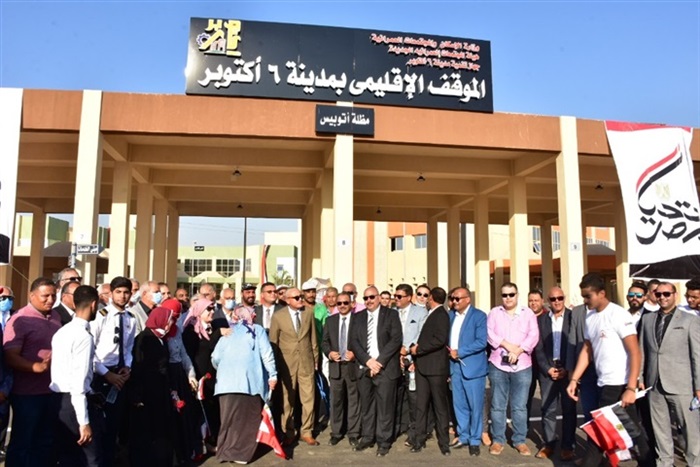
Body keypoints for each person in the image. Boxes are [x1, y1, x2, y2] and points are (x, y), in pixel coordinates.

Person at [566, 272, 654, 467]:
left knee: (600, 432)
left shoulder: (618, 315)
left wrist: (630, 388)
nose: (585, 300)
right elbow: (587, 350)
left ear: (602, 293)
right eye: (583, 296)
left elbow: (635, 352)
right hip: (602, 382)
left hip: (619, 384)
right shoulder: (590, 317)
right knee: (630, 431)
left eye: (588, 296)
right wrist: (574, 379)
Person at [638, 281, 700, 466]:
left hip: (682, 384)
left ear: (675, 295)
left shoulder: (690, 320)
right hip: (654, 384)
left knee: (690, 430)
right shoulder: (647, 320)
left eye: (666, 294)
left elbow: (697, 355)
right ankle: (664, 463)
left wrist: (698, 386)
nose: (662, 297)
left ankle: (694, 463)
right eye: (658, 294)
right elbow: (642, 351)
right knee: (660, 431)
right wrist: (640, 377)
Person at [3, 277, 62, 466]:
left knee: (44, 442)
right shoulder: (19, 319)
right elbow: (10, 356)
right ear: (32, 296)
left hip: (51, 390)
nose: (50, 300)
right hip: (27, 394)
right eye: (45, 296)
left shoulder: (55, 316)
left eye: (53, 295)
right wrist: (35, 367)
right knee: (23, 442)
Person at [212, 306, 278, 464]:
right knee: (247, 420)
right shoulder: (257, 330)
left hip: (225, 384)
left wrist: (224, 371)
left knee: (228, 420)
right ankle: (240, 454)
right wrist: (272, 375)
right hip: (248, 383)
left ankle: (225, 451)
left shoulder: (228, 332)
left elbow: (215, 357)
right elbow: (267, 354)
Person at [51, 285, 104, 467]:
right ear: (94, 304)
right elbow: (78, 383)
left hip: (59, 401)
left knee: (68, 457)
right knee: (90, 459)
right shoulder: (83, 336)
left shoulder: (62, 331)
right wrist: (84, 422)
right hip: (75, 403)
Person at [349, 286, 402, 457]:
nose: (369, 301)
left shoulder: (391, 315)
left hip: (385, 368)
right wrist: (368, 361)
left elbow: (396, 340)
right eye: (365, 298)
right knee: (367, 406)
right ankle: (367, 437)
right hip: (364, 367)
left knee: (385, 407)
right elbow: (353, 342)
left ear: (379, 297)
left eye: (372, 297)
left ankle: (384, 441)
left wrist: (378, 362)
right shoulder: (357, 317)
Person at [487, 282, 539, 456]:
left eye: (511, 294)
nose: (508, 298)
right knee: (497, 406)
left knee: (519, 407)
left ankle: (519, 440)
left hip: (522, 365)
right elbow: (490, 334)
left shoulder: (528, 313)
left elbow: (534, 335)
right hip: (498, 365)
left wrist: (518, 350)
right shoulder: (494, 313)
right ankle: (498, 440)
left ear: (517, 295)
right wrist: (507, 345)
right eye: (505, 295)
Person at [90, 276, 137, 467]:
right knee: (100, 425)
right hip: (102, 373)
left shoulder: (131, 318)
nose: (122, 296)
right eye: (118, 292)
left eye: (126, 292)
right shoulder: (101, 316)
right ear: (111, 293)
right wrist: (106, 374)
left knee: (115, 424)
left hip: (121, 374)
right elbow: (91, 349)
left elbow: (129, 347)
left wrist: (128, 367)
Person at [269, 287, 319, 446]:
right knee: (287, 400)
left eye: (301, 296)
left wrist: (315, 359)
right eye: (297, 297)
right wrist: (274, 366)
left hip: (306, 362)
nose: (300, 300)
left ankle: (307, 431)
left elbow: (313, 339)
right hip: (287, 364)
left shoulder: (308, 313)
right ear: (287, 300)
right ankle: (288, 432)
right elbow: (274, 342)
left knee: (308, 398)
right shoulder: (278, 316)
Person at [129, 306, 176, 467]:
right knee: (146, 431)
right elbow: (138, 367)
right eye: (169, 320)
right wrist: (137, 395)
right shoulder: (144, 338)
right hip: (147, 393)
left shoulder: (160, 338)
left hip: (159, 391)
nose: (171, 323)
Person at [533, 286, 575, 461]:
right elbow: (538, 347)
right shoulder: (541, 320)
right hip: (548, 372)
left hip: (568, 371)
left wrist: (568, 368)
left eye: (560, 298)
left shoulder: (573, 317)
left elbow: (577, 344)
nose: (557, 302)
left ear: (564, 298)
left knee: (569, 410)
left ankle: (568, 446)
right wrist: (547, 368)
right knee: (547, 409)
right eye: (553, 299)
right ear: (547, 301)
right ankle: (549, 444)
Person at [409, 287, 451, 456]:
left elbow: (439, 340)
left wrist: (418, 349)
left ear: (431, 297)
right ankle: (418, 440)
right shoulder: (431, 313)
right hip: (423, 367)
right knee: (421, 406)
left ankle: (444, 442)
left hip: (436, 369)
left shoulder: (441, 315)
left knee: (440, 406)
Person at [448, 286, 488, 457]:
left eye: (458, 298)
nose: (454, 301)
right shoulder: (451, 315)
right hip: (454, 367)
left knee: (475, 406)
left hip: (472, 367)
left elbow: (481, 341)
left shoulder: (479, 316)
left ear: (467, 299)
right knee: (459, 405)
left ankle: (474, 440)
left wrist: (460, 352)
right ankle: (463, 436)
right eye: (453, 298)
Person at [162, 298, 200, 464]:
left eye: (177, 316)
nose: (174, 320)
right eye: (172, 316)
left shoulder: (177, 330)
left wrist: (191, 374)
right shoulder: (160, 332)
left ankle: (185, 452)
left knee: (184, 414)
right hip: (167, 375)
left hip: (179, 374)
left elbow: (183, 354)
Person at [182, 298, 222, 452]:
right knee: (201, 411)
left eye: (213, 309)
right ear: (199, 312)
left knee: (213, 409)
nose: (212, 312)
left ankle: (214, 439)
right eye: (208, 309)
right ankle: (203, 443)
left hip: (213, 376)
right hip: (200, 377)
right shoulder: (191, 331)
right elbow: (191, 355)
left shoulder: (213, 327)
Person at [322, 292, 360, 447]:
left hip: (352, 366)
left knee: (354, 402)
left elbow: (364, 342)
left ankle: (353, 433)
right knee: (336, 401)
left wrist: (355, 354)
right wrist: (329, 353)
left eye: (345, 303)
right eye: (339, 303)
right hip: (336, 367)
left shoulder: (358, 320)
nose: (342, 306)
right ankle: (336, 433)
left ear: (351, 304)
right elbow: (324, 342)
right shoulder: (330, 321)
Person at [393, 283, 428, 443]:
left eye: (399, 296)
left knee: (414, 399)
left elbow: (421, 335)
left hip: (412, 360)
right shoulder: (392, 312)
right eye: (395, 296)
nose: (396, 299)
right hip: (394, 361)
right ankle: (398, 427)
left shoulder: (420, 312)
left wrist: (406, 350)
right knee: (397, 397)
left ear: (409, 297)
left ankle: (414, 433)